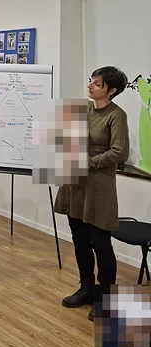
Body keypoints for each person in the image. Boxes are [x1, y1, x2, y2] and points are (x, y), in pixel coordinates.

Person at [55, 67, 130, 320]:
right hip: (75, 183)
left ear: (111, 90)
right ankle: (86, 288)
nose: (90, 85)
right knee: (79, 238)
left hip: (99, 186)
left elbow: (120, 152)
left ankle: (105, 298)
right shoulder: (82, 109)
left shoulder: (116, 115)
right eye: (91, 81)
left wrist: (89, 161)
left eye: (97, 83)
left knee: (100, 243)